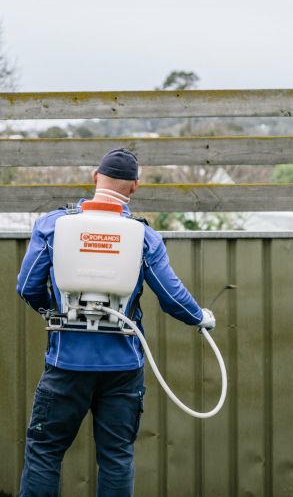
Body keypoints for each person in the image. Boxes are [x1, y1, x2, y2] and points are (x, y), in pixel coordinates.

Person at [16, 147, 216, 497]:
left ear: (95, 177)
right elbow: (172, 298)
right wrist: (201, 317)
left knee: (45, 451)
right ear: (134, 187)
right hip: (123, 367)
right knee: (116, 456)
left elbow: (28, 286)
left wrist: (57, 314)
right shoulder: (143, 237)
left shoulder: (53, 225)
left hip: (66, 364)